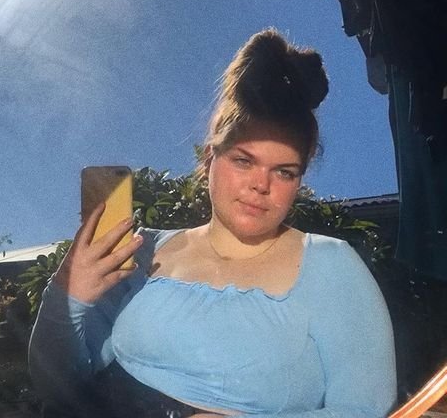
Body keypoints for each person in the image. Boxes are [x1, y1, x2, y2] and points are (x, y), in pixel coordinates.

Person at [28, 28, 397, 418]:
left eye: (284, 172)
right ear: (209, 160)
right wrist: (67, 296)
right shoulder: (143, 249)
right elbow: (58, 388)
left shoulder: (331, 265)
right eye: (244, 161)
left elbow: (366, 409)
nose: (261, 185)